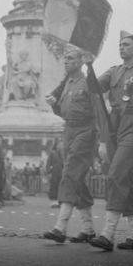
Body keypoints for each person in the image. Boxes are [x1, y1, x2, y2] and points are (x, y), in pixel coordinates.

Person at [90, 31, 133, 252]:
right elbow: (94, 88)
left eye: (127, 44)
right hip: (115, 124)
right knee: (124, 177)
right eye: (120, 44)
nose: (122, 48)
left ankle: (108, 233)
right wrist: (89, 66)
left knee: (116, 173)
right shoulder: (113, 71)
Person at [43, 48, 98, 244]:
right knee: (77, 179)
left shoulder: (89, 82)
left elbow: (98, 110)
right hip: (69, 131)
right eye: (65, 58)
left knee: (69, 174)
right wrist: (53, 104)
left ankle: (60, 226)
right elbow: (63, 111)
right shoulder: (66, 83)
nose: (66, 61)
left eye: (70, 58)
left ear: (81, 61)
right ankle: (88, 228)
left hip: (85, 131)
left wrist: (102, 142)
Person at [46, 139, 64, 208]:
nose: (61, 146)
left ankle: (59, 201)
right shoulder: (52, 153)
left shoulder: (62, 154)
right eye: (59, 145)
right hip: (54, 172)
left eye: (61, 145)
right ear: (56, 146)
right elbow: (48, 163)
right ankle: (53, 202)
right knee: (53, 187)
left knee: (60, 187)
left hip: (61, 172)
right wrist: (48, 172)